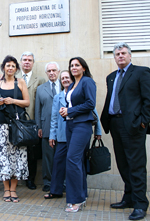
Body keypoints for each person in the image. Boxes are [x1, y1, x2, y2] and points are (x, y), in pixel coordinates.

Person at [101, 42, 150, 220]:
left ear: (130, 55)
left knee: (136, 166)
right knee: (123, 164)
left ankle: (141, 204)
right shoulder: (111, 76)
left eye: (123, 53)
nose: (120, 56)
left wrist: (142, 123)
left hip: (133, 126)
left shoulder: (141, 72)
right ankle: (129, 197)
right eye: (117, 54)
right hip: (116, 125)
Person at [45, 70, 102, 199]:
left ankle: (81, 192)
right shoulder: (58, 97)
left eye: (67, 77)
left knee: (79, 162)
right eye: (63, 78)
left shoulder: (80, 92)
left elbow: (94, 112)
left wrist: (98, 131)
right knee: (59, 161)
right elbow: (54, 118)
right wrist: (52, 135)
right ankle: (55, 190)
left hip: (80, 132)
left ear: (72, 79)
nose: (65, 80)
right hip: (62, 135)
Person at [0, 55, 30, 203]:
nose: (10, 68)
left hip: (17, 126)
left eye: (13, 66)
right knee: (4, 157)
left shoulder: (21, 82)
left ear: (16, 69)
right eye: (8, 65)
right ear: (3, 68)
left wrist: (13, 101)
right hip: (1, 126)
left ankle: (13, 190)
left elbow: (27, 102)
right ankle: (6, 189)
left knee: (17, 157)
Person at [59, 57, 96, 212]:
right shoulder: (73, 84)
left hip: (82, 125)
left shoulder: (87, 82)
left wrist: (70, 110)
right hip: (70, 124)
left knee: (72, 159)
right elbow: (72, 104)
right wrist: (65, 111)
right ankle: (82, 196)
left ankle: (76, 200)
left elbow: (90, 103)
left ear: (83, 68)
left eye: (77, 65)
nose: (73, 67)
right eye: (71, 65)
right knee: (78, 160)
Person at [16, 51, 45, 190]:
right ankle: (15, 178)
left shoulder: (40, 80)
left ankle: (30, 179)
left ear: (33, 63)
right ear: (21, 62)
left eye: (30, 60)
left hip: (32, 121)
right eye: (25, 59)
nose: (27, 62)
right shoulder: (12, 78)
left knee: (32, 154)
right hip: (16, 122)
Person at [35, 62, 61, 192]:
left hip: (62, 127)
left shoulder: (65, 85)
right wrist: (39, 126)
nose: (51, 73)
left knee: (62, 156)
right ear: (46, 73)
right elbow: (37, 109)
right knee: (47, 156)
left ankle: (62, 182)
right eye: (49, 71)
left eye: (54, 70)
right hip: (45, 126)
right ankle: (48, 182)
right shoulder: (41, 88)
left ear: (59, 71)